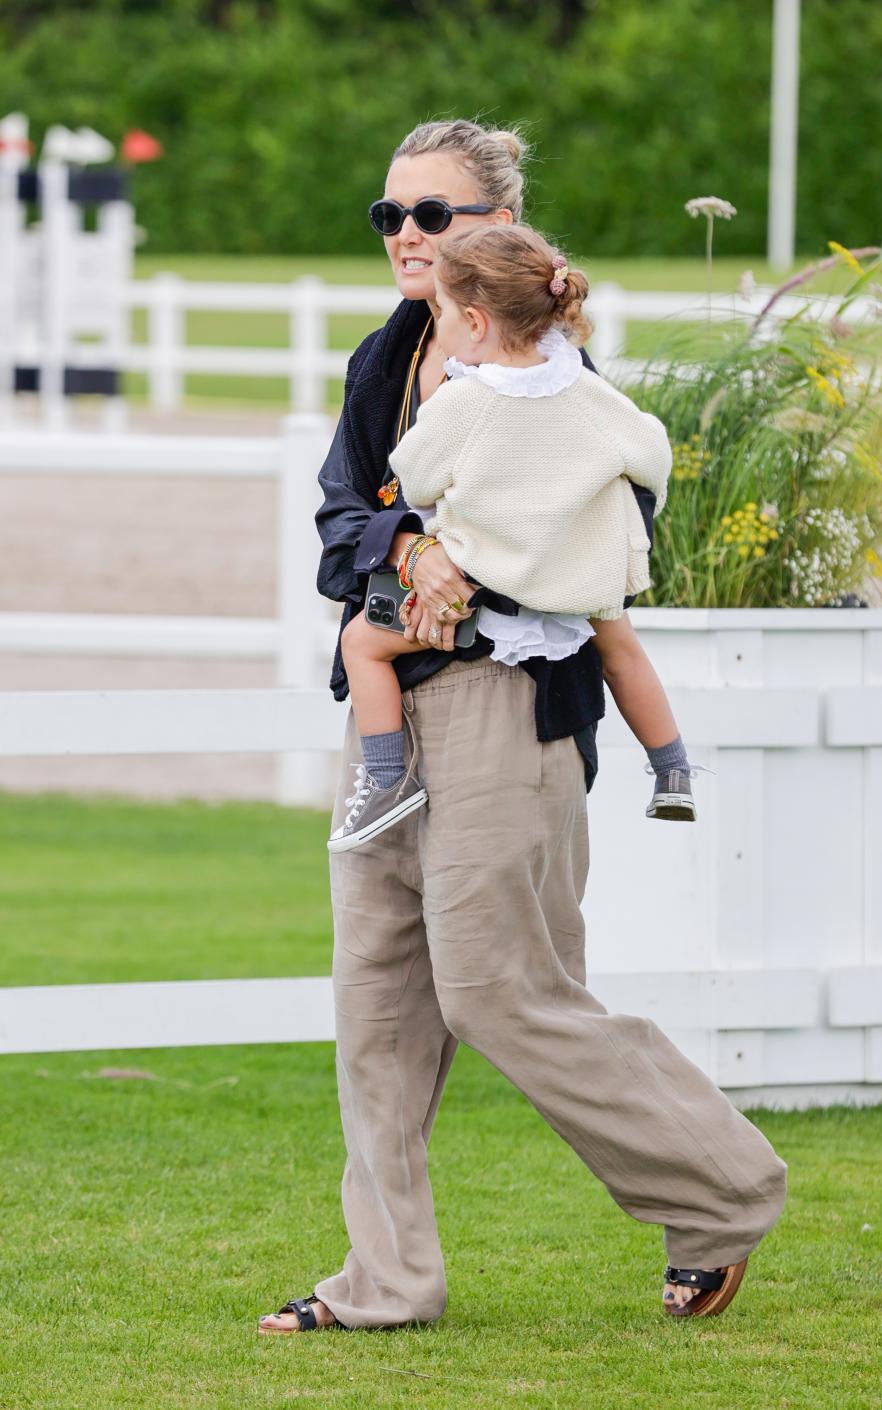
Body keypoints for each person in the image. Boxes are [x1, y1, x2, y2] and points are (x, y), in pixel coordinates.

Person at [258, 118, 787, 1335]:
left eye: (430, 215)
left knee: (502, 989)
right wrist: (404, 545)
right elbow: (342, 514)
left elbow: (606, 524)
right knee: (377, 1006)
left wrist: (469, 570)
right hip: (388, 713)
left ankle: (722, 1189)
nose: (404, 236)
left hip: (509, 712)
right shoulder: (385, 356)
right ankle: (385, 1280)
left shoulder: (559, 376)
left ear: (495, 224)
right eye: (388, 215)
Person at [330, 221, 695, 856]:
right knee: (624, 652)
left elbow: (410, 475)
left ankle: (387, 781)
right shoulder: (589, 390)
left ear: (474, 323)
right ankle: (671, 768)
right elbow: (653, 456)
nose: (434, 323)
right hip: (577, 584)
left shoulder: (463, 402)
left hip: (481, 592)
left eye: (440, 310)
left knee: (364, 644)